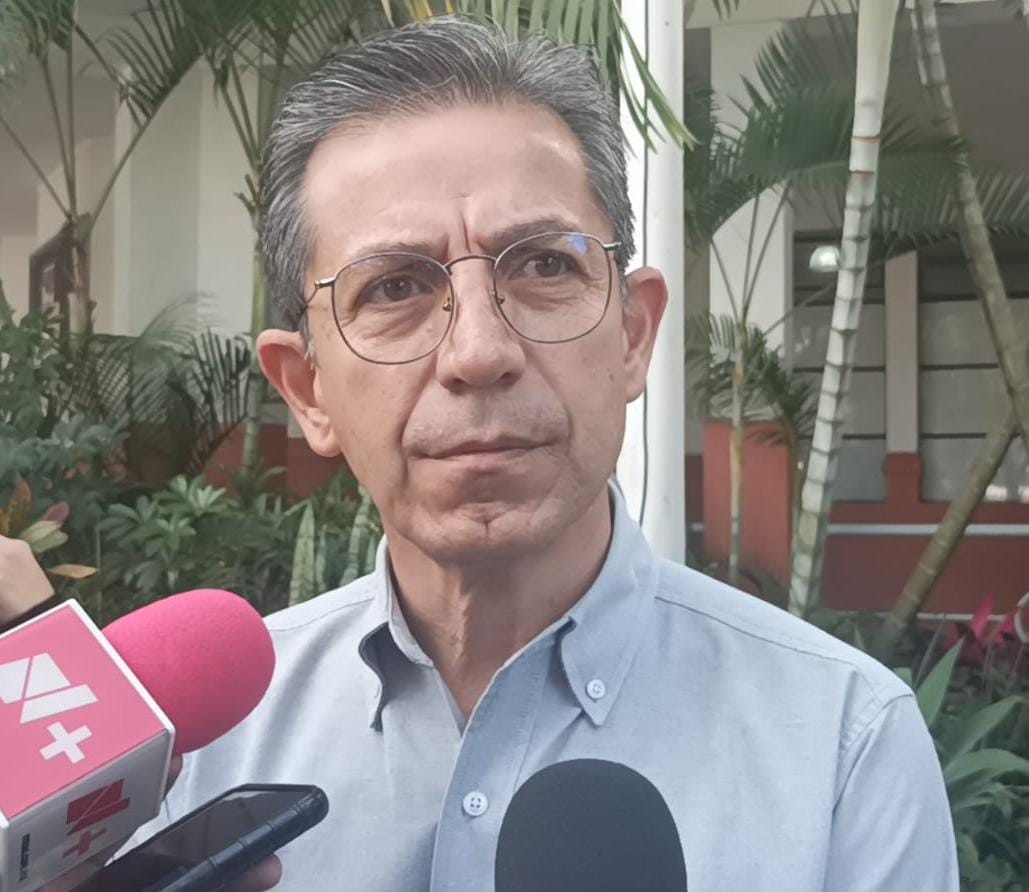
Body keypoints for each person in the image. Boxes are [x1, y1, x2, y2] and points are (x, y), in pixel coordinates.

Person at [8, 17, 958, 891]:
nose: (478, 352)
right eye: (393, 287)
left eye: (544, 265)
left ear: (633, 336)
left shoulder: (842, 746)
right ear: (306, 390)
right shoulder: (186, 758)